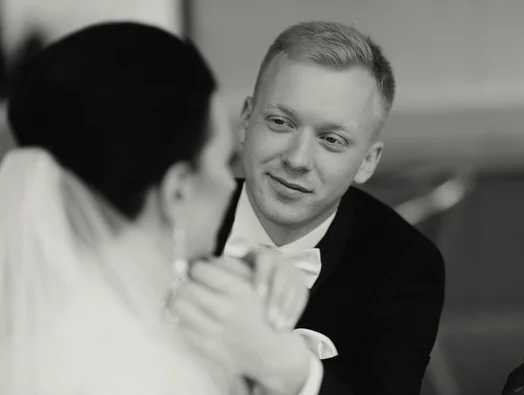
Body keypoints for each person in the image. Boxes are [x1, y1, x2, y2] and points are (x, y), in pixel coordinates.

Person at [0, 21, 310, 395]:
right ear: (177, 190)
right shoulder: (143, 371)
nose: (231, 183)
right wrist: (289, 370)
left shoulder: (35, 326)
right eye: (224, 161)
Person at [174, 21, 446, 395]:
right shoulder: (173, 216)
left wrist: (296, 374)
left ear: (367, 161)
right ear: (245, 120)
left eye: (331, 140)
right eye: (280, 122)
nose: (298, 159)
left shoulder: (406, 265)